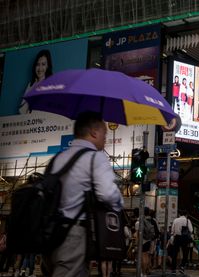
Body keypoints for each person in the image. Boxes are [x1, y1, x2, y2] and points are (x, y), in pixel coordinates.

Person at [43, 111, 124, 277]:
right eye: (104, 132)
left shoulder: (58, 158)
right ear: (94, 132)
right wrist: (119, 200)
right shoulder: (96, 158)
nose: (105, 137)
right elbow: (107, 194)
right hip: (73, 235)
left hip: (48, 234)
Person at [20, 49, 53, 114]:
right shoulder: (31, 84)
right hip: (28, 121)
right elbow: (22, 109)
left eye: (43, 64)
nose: (40, 68)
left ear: (47, 66)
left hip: (44, 120)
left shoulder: (51, 84)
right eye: (38, 64)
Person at [170, 210, 193, 275]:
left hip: (177, 238)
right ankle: (182, 267)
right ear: (186, 215)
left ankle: (173, 270)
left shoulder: (175, 220)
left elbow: (172, 230)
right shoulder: (187, 220)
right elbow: (191, 230)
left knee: (174, 254)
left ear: (179, 214)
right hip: (185, 238)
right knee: (185, 253)